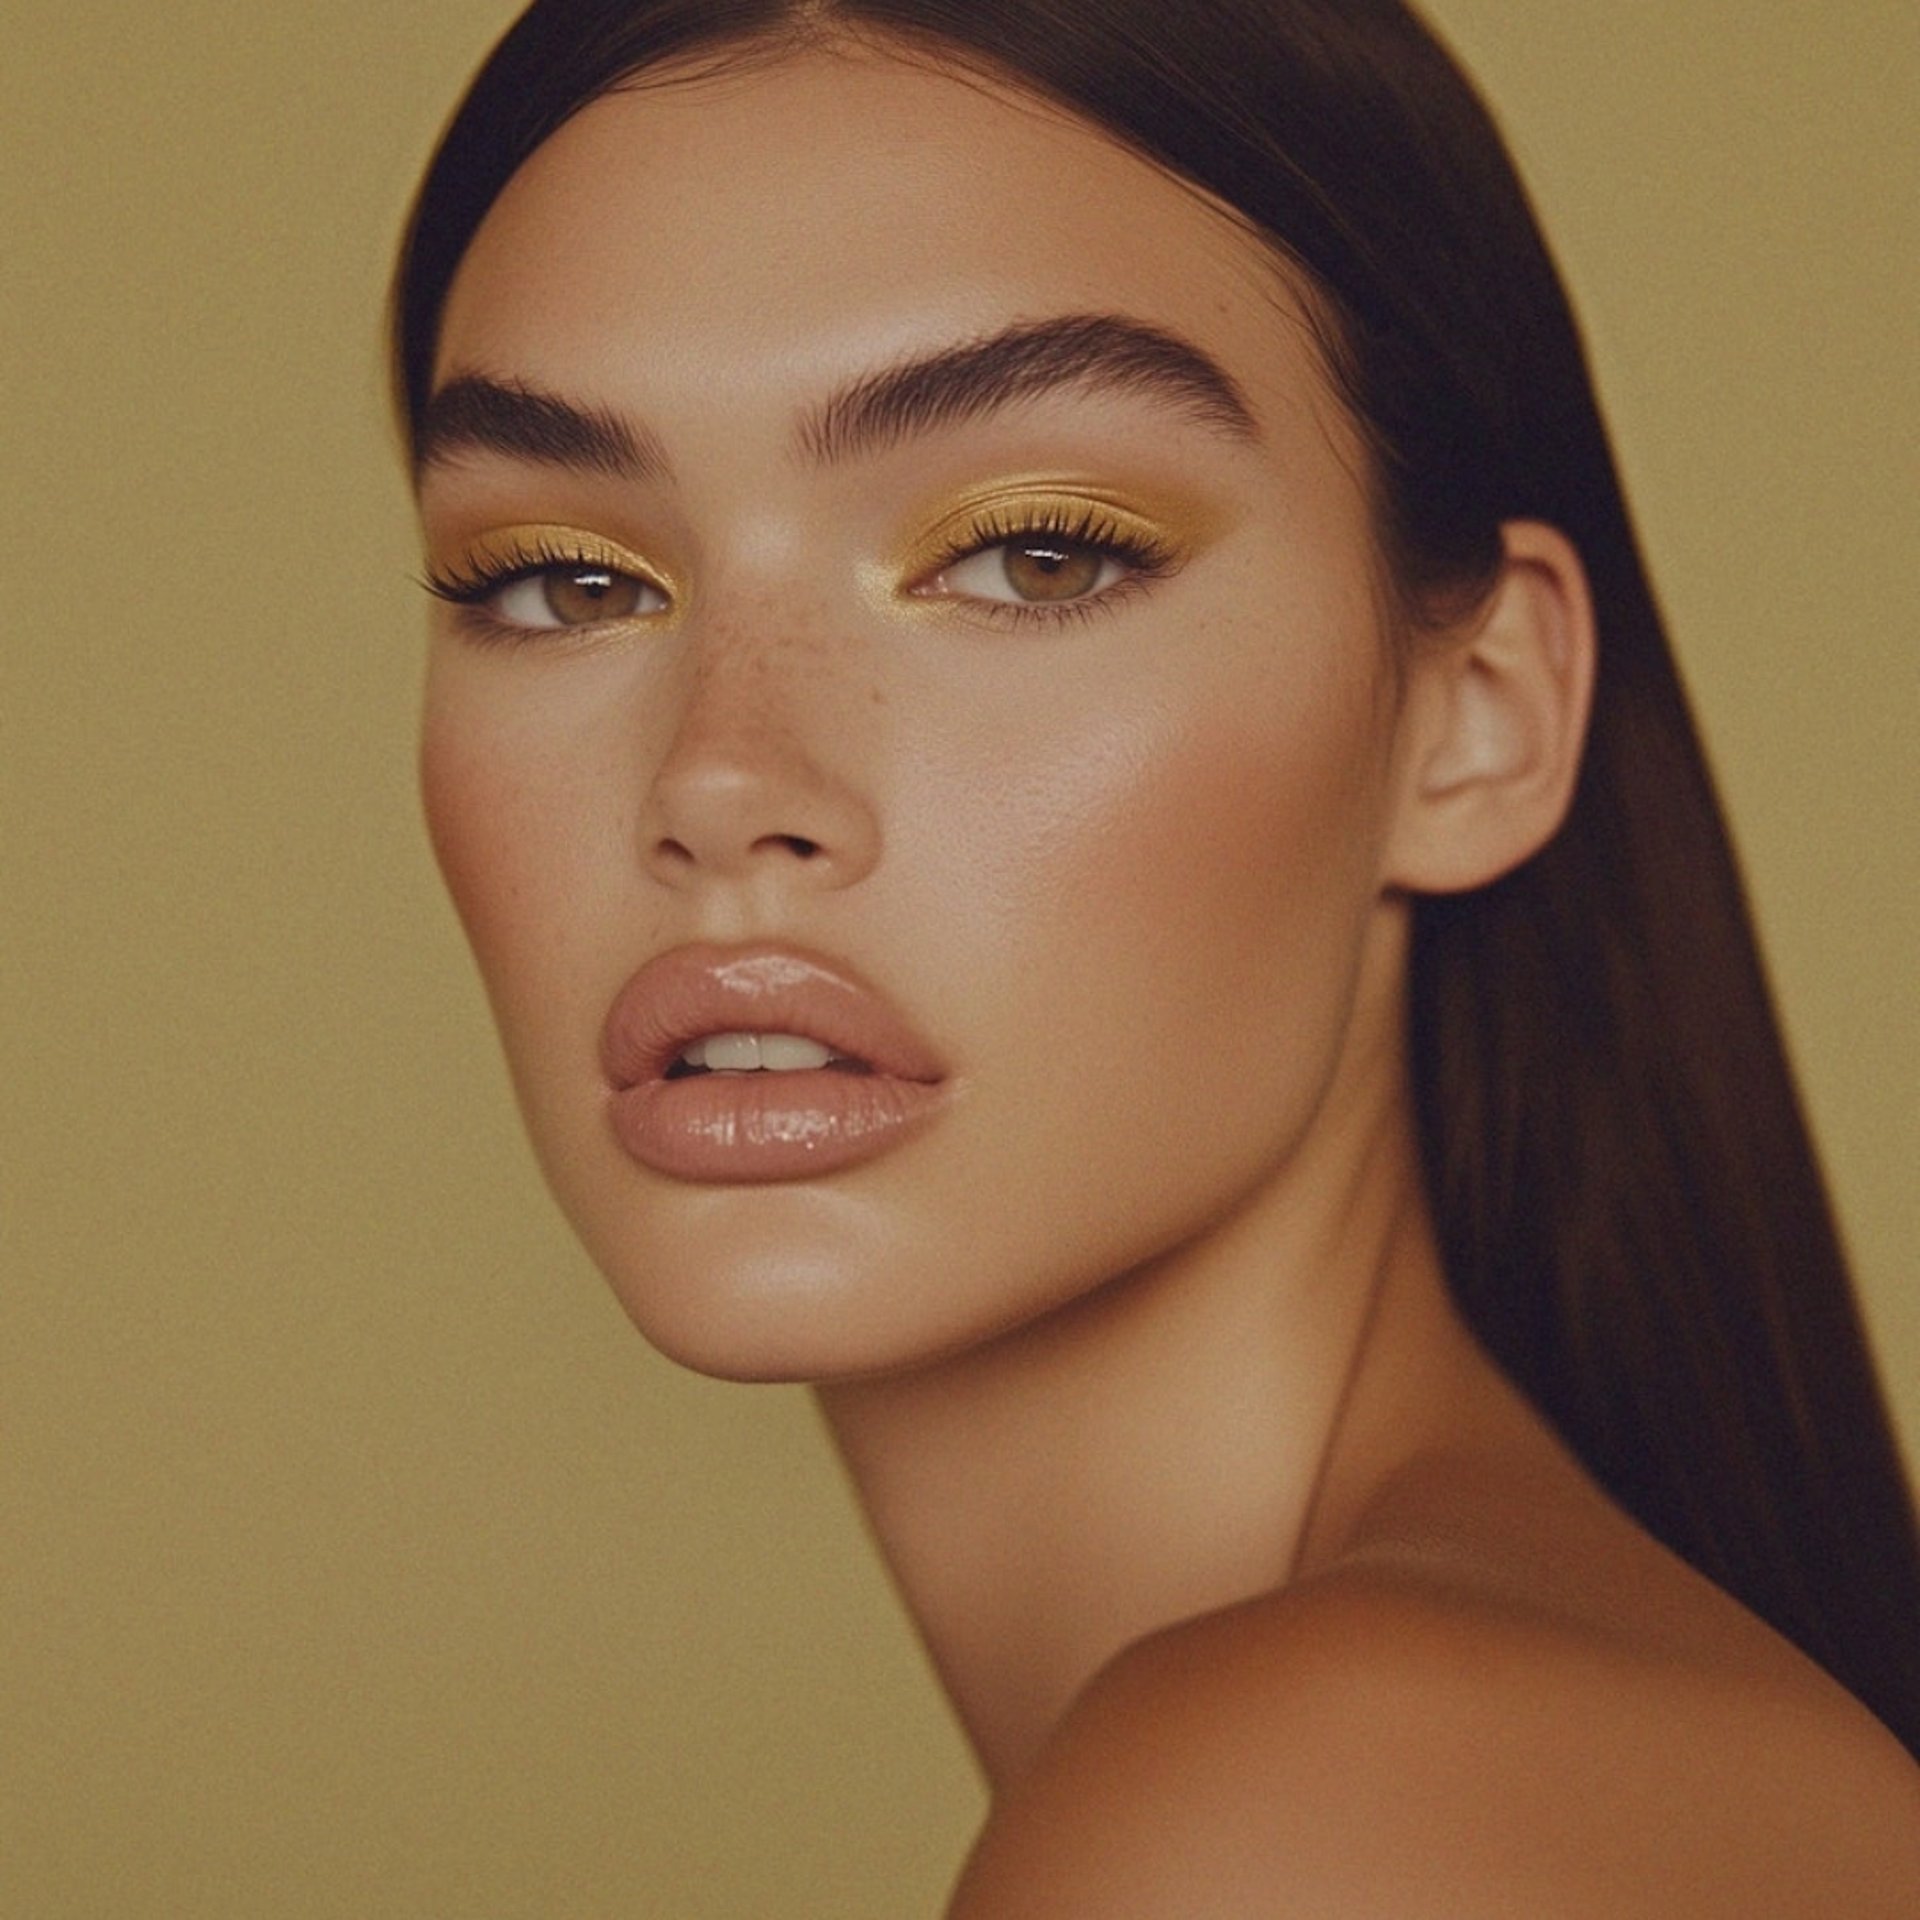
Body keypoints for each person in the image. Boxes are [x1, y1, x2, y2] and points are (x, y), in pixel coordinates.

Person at [391, 0, 1920, 1908]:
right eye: (564, 581)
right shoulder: (1522, 1753)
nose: (718, 780)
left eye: (1034, 555)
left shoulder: (1314, 1817)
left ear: (1481, 715)